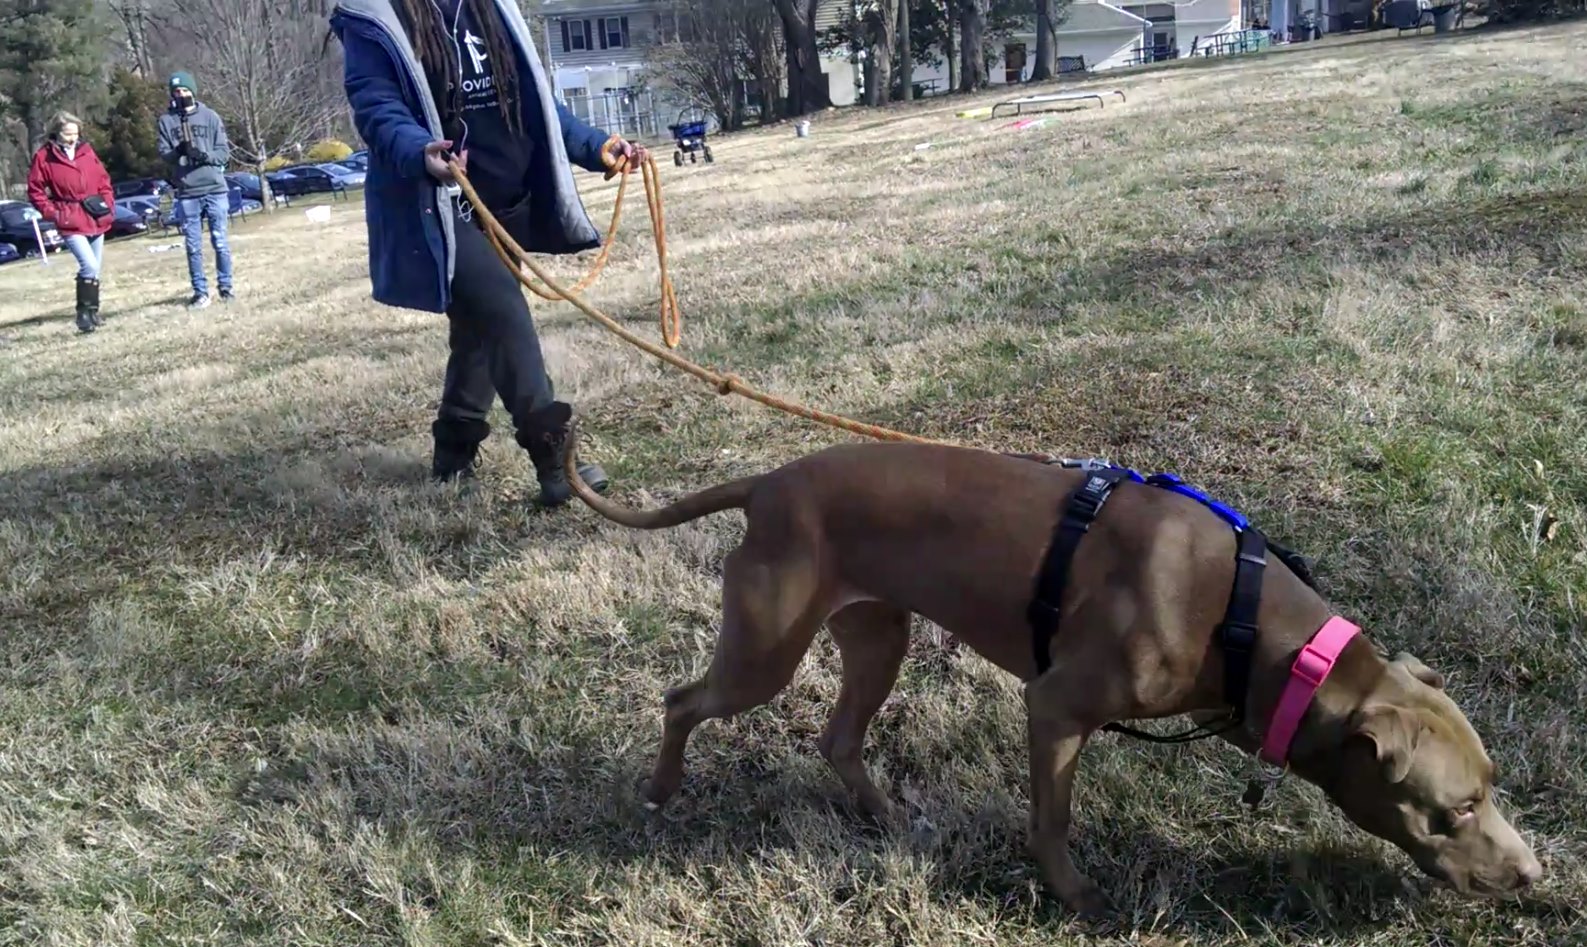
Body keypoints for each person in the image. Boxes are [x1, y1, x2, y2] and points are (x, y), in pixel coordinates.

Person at [329, 0, 651, 509]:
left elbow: (534, 100)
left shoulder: (491, 7)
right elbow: (376, 105)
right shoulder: (377, 14)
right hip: (438, 203)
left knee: (481, 331)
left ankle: (453, 454)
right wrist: (421, 150)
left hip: (507, 202)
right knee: (501, 305)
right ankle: (553, 457)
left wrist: (594, 146)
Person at [26, 112, 116, 334]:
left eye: (75, 134)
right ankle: (83, 314)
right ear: (56, 132)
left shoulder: (87, 152)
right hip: (69, 217)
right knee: (89, 265)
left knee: (95, 268)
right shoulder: (44, 157)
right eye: (67, 134)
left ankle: (93, 312)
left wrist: (108, 204)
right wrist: (52, 213)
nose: (72, 139)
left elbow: (103, 180)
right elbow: (35, 190)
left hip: (95, 214)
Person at [156, 70, 236, 308]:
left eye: (185, 90)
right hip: (187, 191)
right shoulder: (166, 121)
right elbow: (164, 154)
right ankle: (200, 292)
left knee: (220, 240)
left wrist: (204, 156)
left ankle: (226, 287)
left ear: (193, 92)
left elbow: (224, 152)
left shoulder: (210, 116)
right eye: (177, 91)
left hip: (214, 188)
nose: (181, 95)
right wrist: (178, 152)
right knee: (192, 245)